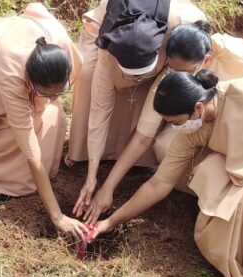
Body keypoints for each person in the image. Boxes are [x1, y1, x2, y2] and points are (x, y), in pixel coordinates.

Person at [92, 70, 243, 277]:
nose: (173, 127)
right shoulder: (193, 127)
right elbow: (160, 182)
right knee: (209, 172)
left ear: (198, 107)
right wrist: (110, 222)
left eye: (175, 122)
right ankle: (238, 246)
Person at [82, 20, 243, 224]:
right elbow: (143, 137)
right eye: (173, 70)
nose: (177, 77)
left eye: (186, 72)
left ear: (207, 60)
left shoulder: (236, 56)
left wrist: (236, 108)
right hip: (201, 128)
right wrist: (107, 188)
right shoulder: (170, 79)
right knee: (164, 146)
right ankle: (195, 187)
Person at [0, 3, 88, 239]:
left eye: (59, 92)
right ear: (28, 81)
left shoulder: (59, 43)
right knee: (15, 127)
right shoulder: (11, 73)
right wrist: (57, 216)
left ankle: (42, 171)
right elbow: (29, 147)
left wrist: (47, 100)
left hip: (4, 45)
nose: (53, 98)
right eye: (45, 92)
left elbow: (77, 69)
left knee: (50, 111)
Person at [70, 0, 207, 218]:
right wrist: (92, 177)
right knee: (88, 75)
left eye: (140, 76)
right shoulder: (108, 50)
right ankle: (94, 157)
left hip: (168, 47)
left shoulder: (179, 41)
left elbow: (145, 132)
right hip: (113, 32)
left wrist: (108, 189)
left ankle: (134, 162)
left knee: (151, 106)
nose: (134, 81)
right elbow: (99, 112)